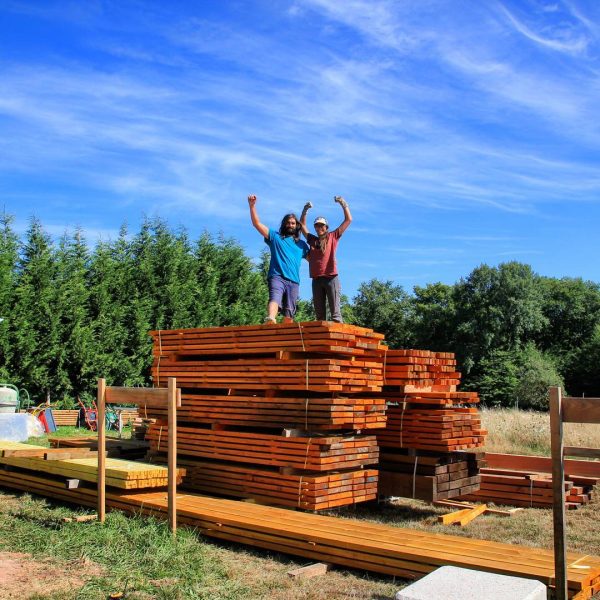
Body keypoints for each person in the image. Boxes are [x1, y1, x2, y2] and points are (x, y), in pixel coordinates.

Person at [248, 194, 309, 323]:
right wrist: (252, 206)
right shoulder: (275, 237)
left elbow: (314, 261)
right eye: (288, 223)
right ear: (284, 224)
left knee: (289, 311)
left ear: (297, 226)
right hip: (277, 276)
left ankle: (287, 333)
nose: (290, 225)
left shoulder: (302, 245)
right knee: (275, 297)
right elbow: (256, 224)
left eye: (293, 223)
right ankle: (271, 318)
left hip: (294, 281)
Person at [300, 196, 352, 322]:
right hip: (317, 279)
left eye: (322, 226)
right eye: (317, 226)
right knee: (319, 315)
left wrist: (343, 204)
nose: (319, 228)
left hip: (331, 278)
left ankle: (338, 340)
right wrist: (305, 210)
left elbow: (348, 220)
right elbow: (302, 225)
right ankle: (321, 340)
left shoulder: (333, 236)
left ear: (326, 227)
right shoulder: (312, 240)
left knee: (335, 314)